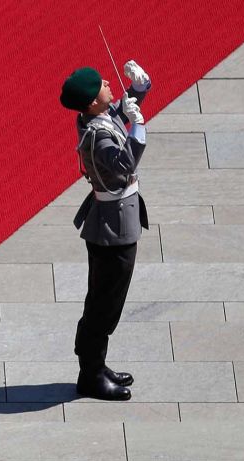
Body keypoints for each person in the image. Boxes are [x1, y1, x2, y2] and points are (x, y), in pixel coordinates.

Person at [61, 59, 152, 402]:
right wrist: (137, 125)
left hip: (113, 216)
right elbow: (125, 164)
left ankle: (96, 364)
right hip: (113, 226)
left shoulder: (96, 117)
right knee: (105, 305)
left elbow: (118, 111)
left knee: (105, 300)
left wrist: (139, 88)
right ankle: (90, 375)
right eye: (102, 85)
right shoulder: (98, 138)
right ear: (92, 102)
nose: (108, 83)